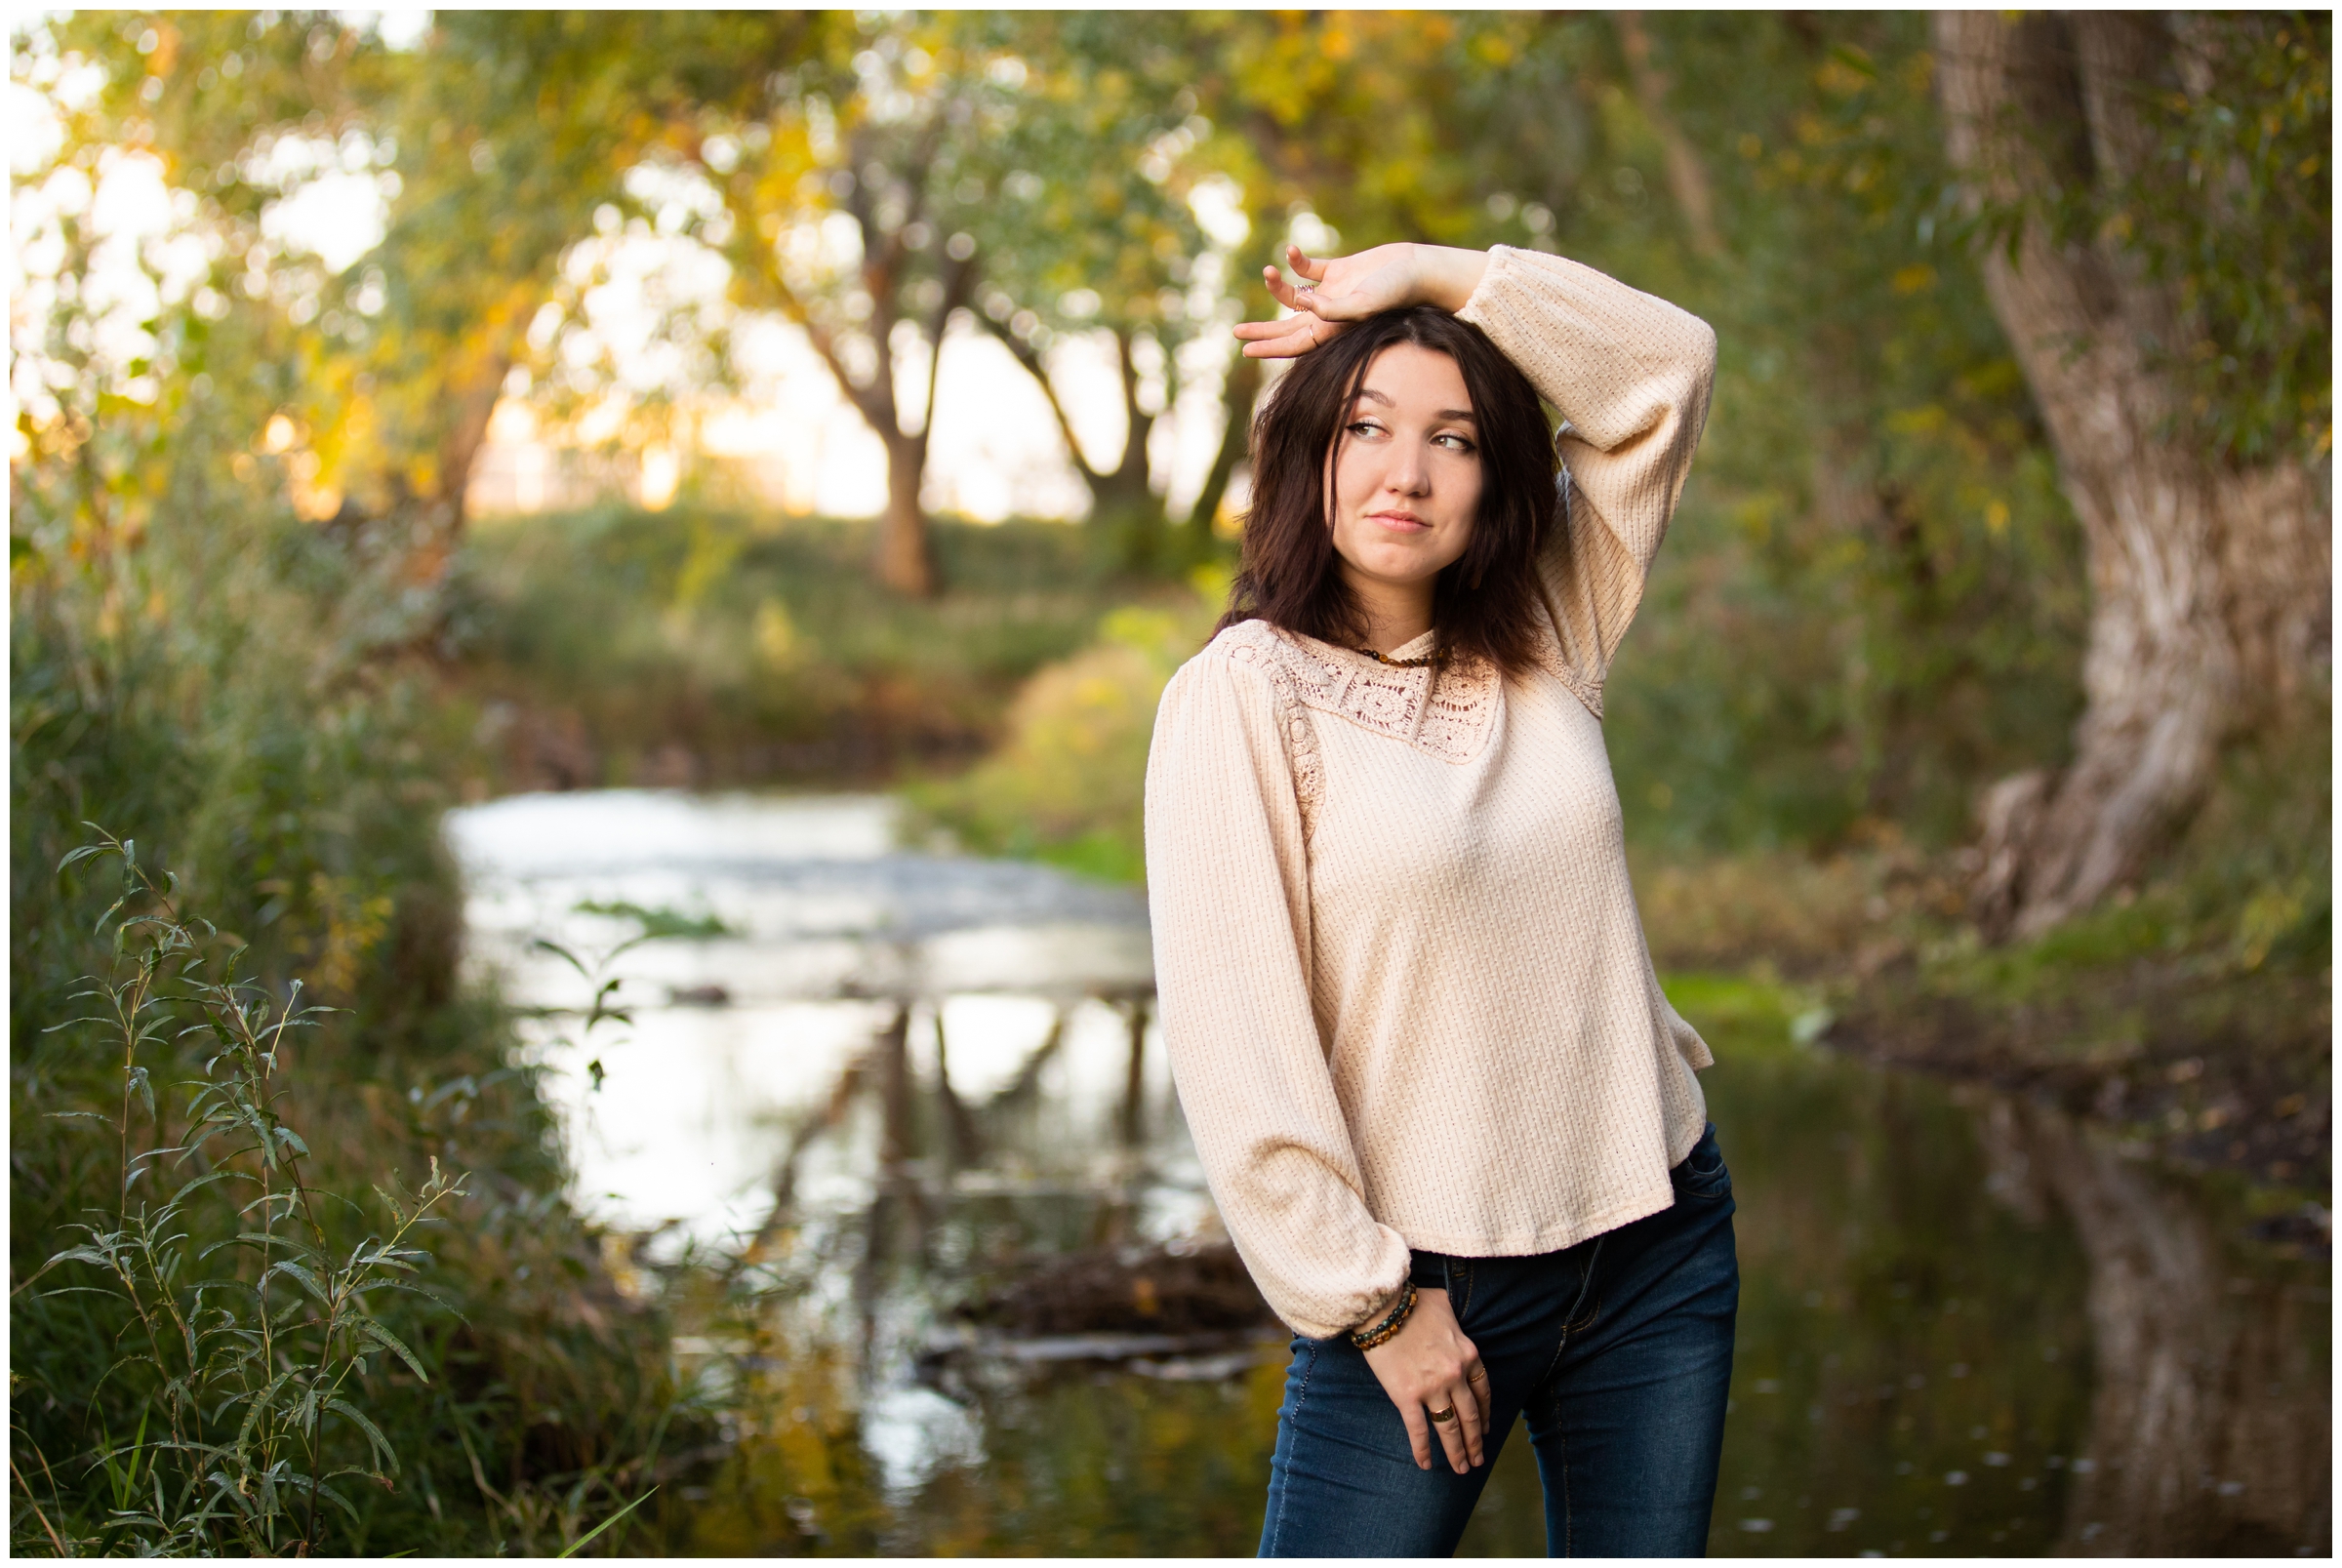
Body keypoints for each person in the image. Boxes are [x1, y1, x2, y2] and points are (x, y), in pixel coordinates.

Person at [1143, 239, 1737, 1558]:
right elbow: (1237, 1043)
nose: (1405, 473)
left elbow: (1665, 368)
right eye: (1366, 426)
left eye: (1454, 438)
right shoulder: (1241, 698)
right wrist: (1371, 1304)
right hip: (1424, 1286)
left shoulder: (1547, 626)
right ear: (1307, 450)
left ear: (1494, 477)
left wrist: (1428, 272)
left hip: (1657, 1235)